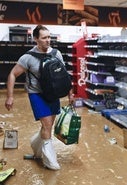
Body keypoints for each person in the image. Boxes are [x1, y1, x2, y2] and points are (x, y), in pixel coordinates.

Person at [4, 25, 74, 170]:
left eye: (49, 37)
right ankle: (50, 161)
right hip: (36, 94)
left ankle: (35, 147)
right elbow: (12, 74)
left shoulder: (56, 53)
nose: (48, 40)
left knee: (47, 126)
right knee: (47, 125)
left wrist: (70, 93)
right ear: (36, 39)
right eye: (44, 38)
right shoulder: (28, 57)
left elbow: (64, 76)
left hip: (53, 94)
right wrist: (10, 96)